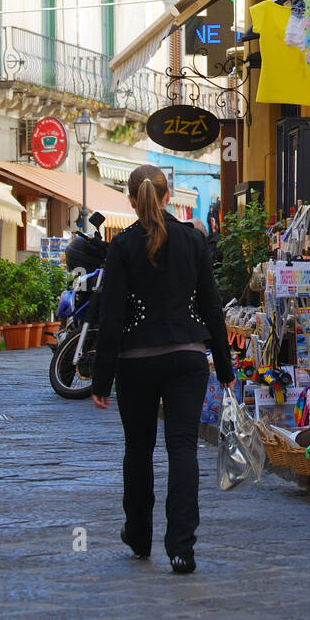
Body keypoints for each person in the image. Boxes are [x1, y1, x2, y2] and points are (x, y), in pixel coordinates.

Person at [91, 165, 235, 574]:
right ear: (168, 195)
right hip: (188, 358)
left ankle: (138, 536)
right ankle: (181, 548)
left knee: (138, 451)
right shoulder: (193, 239)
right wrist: (225, 367)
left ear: (132, 200)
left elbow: (112, 316)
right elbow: (211, 306)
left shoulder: (121, 247)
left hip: (136, 361)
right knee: (183, 449)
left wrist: (100, 379)